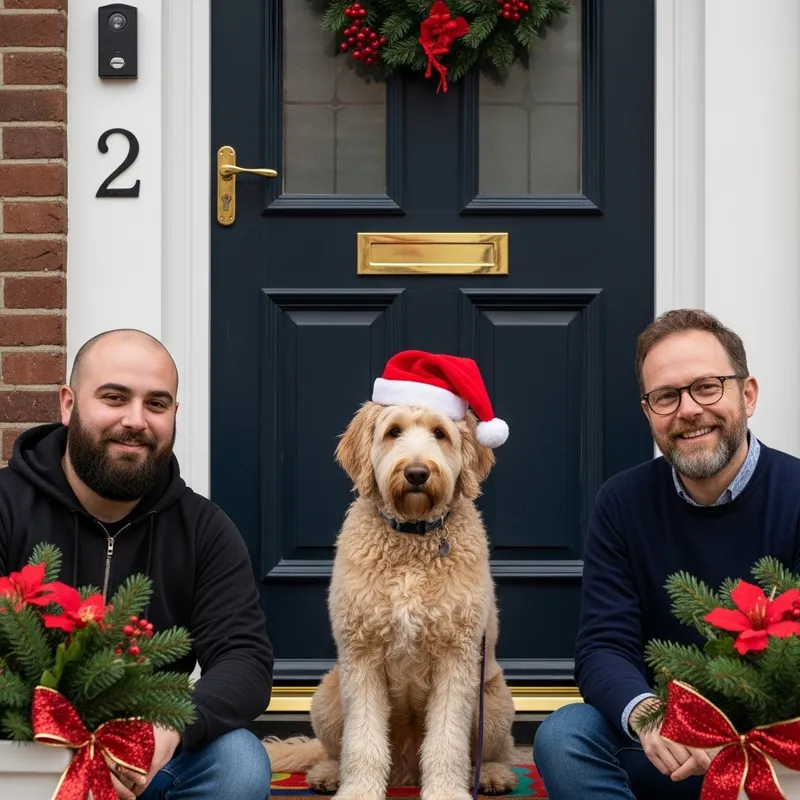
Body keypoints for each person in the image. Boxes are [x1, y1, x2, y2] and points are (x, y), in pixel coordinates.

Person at [532, 309, 800, 799]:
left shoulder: (797, 494)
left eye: (707, 386)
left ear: (748, 394)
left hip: (778, 750)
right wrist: (654, 720)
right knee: (565, 736)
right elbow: (602, 645)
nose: (688, 410)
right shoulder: (621, 502)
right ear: (648, 412)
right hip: (668, 751)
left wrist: (745, 733)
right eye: (666, 396)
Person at [0, 329, 274, 800]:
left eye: (157, 404)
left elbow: (244, 660)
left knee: (240, 764)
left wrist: (166, 727)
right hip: (19, 755)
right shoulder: (6, 506)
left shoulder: (203, 529)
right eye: (114, 397)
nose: (135, 420)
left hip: (143, 766)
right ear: (68, 404)